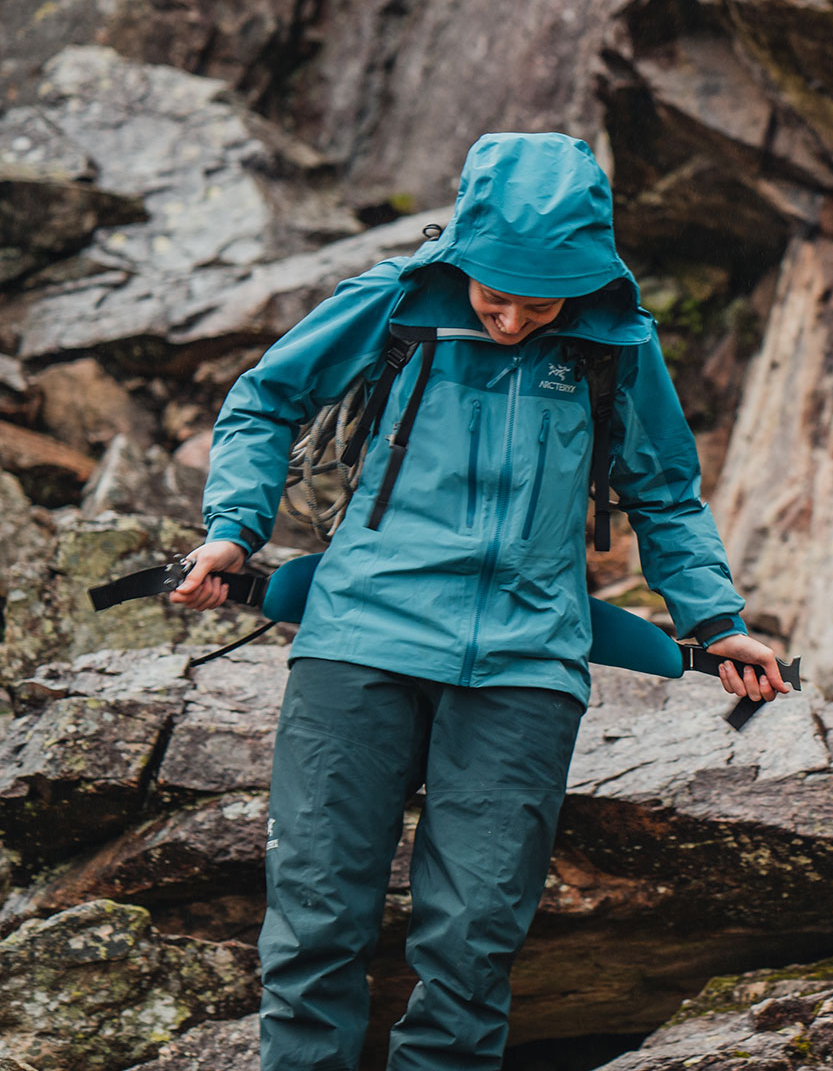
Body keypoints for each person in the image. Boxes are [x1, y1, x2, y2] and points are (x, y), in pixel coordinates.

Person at [171, 132, 790, 1069]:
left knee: (472, 945)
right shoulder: (395, 304)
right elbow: (264, 401)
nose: (509, 321)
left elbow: (662, 490)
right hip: (361, 642)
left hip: (526, 665)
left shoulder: (615, 344)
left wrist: (715, 623)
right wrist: (235, 528)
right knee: (315, 923)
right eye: (492, 296)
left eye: (536, 304)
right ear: (460, 249)